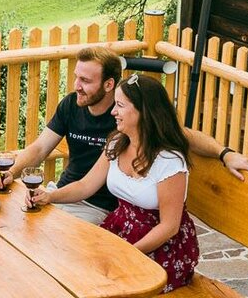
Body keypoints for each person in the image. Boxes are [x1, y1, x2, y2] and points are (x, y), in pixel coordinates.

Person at [0, 46, 248, 223]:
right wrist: (12, 172)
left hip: (99, 208)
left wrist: (225, 153)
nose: (77, 87)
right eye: (76, 78)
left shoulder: (130, 116)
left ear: (109, 84)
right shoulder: (71, 105)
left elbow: (183, 135)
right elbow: (41, 148)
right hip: (67, 193)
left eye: (85, 81)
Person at [29, 74, 199, 292]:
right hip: (119, 231)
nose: (113, 112)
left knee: (103, 286)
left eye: (119, 105)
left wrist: (128, 253)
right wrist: (50, 196)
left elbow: (169, 227)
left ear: (143, 112)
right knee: (65, 267)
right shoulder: (117, 143)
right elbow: (85, 186)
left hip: (159, 246)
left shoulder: (169, 161)